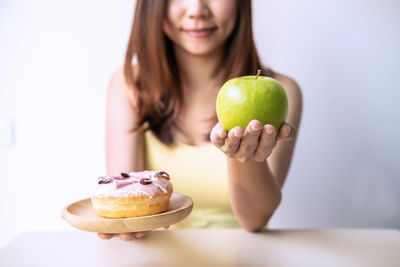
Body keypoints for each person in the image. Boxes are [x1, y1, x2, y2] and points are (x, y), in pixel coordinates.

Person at [98, 0, 302, 240]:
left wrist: (244, 156)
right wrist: (122, 225)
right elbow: (129, 205)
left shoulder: (284, 91)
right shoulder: (129, 86)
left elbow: (254, 219)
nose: (197, 10)